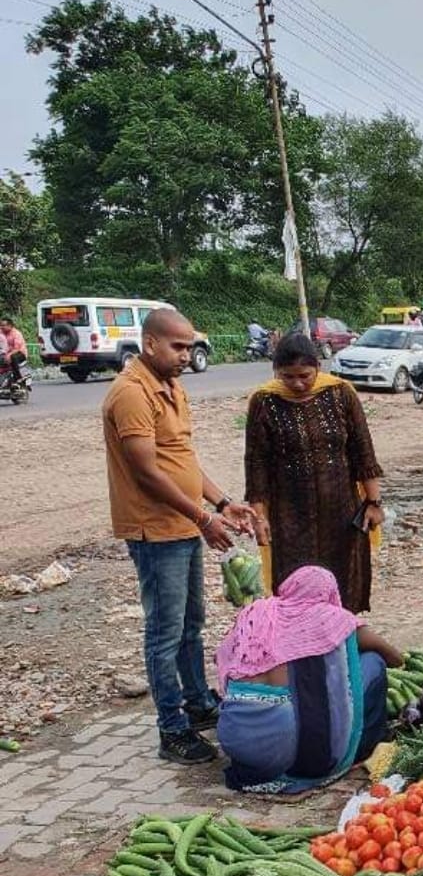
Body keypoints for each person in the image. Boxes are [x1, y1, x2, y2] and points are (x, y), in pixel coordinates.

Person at [102, 308, 255, 764]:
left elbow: (182, 460)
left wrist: (221, 504)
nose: (187, 355)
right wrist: (202, 517)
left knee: (191, 624)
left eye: (190, 346)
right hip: (156, 529)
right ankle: (172, 729)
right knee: (165, 631)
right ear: (150, 344)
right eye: (178, 347)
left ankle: (197, 703)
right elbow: (147, 472)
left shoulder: (171, 386)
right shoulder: (131, 393)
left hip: (183, 523)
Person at [215, 565, 402, 794]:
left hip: (235, 735)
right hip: (285, 749)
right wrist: (348, 652)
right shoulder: (333, 619)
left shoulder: (256, 613)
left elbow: (222, 656)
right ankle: (369, 741)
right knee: (373, 661)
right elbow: (395, 658)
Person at [244, 332, 384, 615]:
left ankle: (346, 653)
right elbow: (256, 465)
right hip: (289, 519)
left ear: (318, 368)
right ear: (276, 373)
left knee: (344, 591)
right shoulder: (264, 402)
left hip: (342, 513)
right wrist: (259, 518)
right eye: (287, 376)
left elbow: (363, 452)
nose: (297, 383)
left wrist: (374, 503)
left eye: (304, 376)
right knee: (295, 593)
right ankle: (302, 653)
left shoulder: (341, 393)